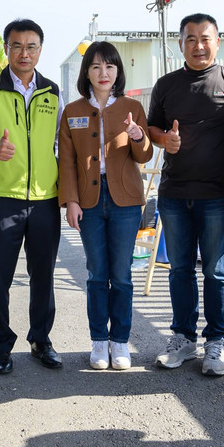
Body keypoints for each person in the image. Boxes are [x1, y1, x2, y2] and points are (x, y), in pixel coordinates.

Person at [147, 14, 224, 375]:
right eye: (190, 39)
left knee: (217, 271)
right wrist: (166, 140)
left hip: (219, 194)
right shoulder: (166, 85)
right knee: (179, 269)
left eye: (205, 38)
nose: (198, 45)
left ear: (218, 42)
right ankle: (183, 338)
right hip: (175, 193)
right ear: (180, 44)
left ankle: (216, 342)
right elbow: (152, 128)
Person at [0, 18, 64, 374]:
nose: (23, 53)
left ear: (40, 50)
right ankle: (0, 344)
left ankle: (41, 339)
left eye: (31, 46)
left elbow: (61, 142)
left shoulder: (52, 92)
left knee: (43, 274)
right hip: (4, 197)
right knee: (0, 276)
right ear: (6, 49)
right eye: (16, 46)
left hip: (45, 199)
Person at [58, 41, 153, 370]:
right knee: (97, 273)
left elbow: (144, 155)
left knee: (122, 274)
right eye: (96, 67)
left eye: (109, 66)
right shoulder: (72, 111)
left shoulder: (132, 106)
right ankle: (99, 340)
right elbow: (66, 161)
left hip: (126, 199)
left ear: (118, 71)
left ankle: (120, 342)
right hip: (89, 201)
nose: (103, 73)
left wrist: (139, 136)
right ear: (86, 72)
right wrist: (70, 200)